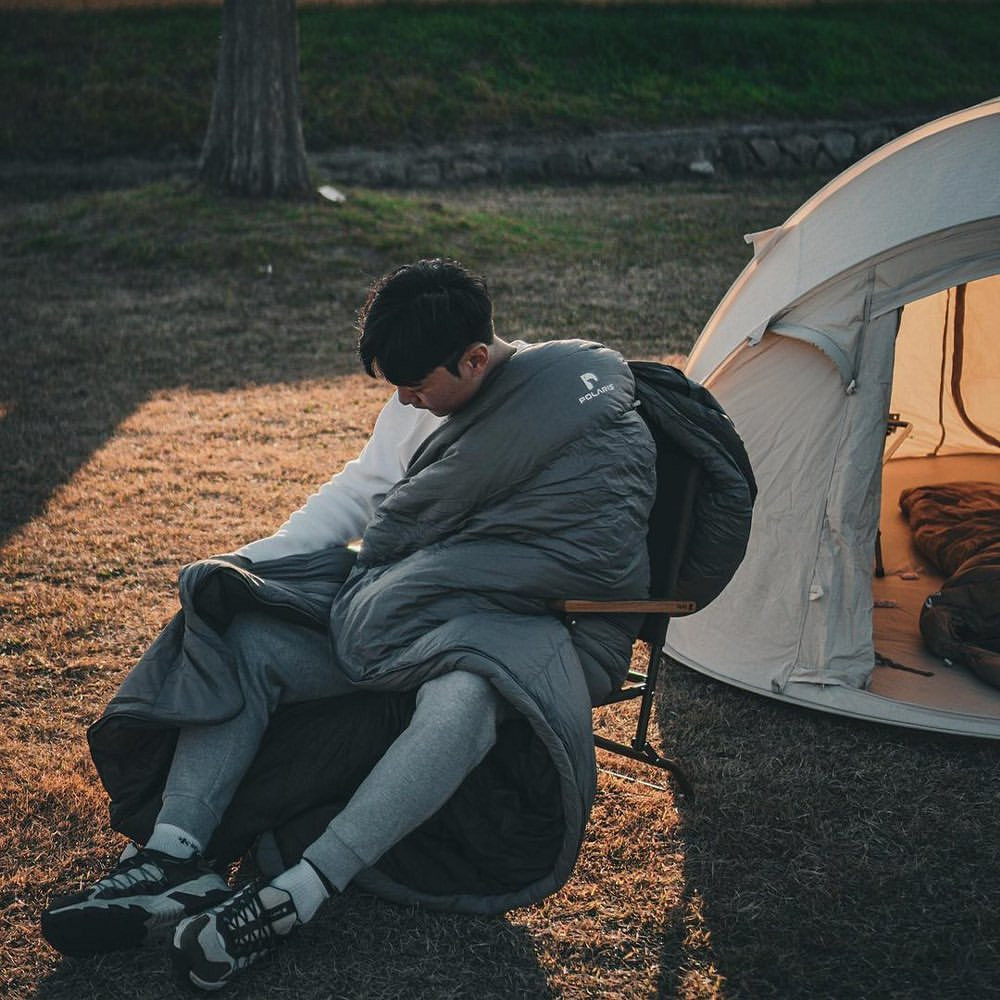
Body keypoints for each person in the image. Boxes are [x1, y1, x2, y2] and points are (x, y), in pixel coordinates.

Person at [40, 258, 658, 990]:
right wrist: (249, 563)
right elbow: (363, 492)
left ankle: (297, 894)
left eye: (417, 386)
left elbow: (592, 545)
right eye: (393, 387)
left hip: (526, 623)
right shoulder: (420, 396)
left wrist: (457, 578)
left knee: (465, 696)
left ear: (475, 359)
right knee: (248, 633)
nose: (405, 401)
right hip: (408, 608)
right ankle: (175, 857)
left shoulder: (563, 402)